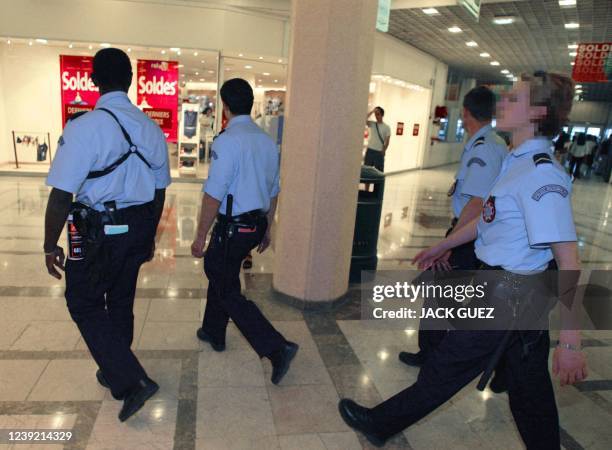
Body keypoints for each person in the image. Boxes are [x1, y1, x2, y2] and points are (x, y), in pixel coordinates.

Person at [338, 72, 587, 448]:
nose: (502, 102)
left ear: (537, 111)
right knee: (529, 391)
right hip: (508, 292)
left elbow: (568, 260)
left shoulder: (540, 175)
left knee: (446, 366)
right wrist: (445, 245)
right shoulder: (515, 162)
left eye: (513, 99)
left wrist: (570, 343)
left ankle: (379, 423)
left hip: (510, 295)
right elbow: (487, 221)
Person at [43, 48, 170, 421]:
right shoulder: (151, 129)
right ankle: (115, 367)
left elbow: (61, 194)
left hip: (97, 232)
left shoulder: (83, 128)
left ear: (94, 81)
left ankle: (131, 381)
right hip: (137, 227)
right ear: (130, 80)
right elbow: (160, 190)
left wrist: (50, 244)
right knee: (120, 298)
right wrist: (150, 237)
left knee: (83, 302)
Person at [191, 78, 298, 384]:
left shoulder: (227, 140)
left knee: (223, 281)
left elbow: (214, 193)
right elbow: (274, 188)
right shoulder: (265, 140)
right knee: (222, 273)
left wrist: (200, 236)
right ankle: (213, 331)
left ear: (224, 106)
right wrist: (267, 227)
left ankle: (277, 347)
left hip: (233, 228)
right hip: (255, 224)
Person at [399, 86, 508, 368]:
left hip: (468, 236)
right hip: (476, 234)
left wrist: (451, 241)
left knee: (440, 297)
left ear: (466, 113)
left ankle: (433, 356)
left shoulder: (483, 150)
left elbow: (475, 203)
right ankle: (437, 354)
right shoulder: (493, 143)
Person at [364, 107, 391, 172]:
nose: (376, 116)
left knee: (379, 173)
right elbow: (363, 119)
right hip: (370, 150)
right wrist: (372, 111)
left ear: (382, 115)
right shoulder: (372, 124)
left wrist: (384, 150)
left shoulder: (387, 127)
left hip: (379, 152)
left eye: (378, 114)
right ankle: (367, 182)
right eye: (375, 114)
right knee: (367, 172)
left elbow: (387, 141)